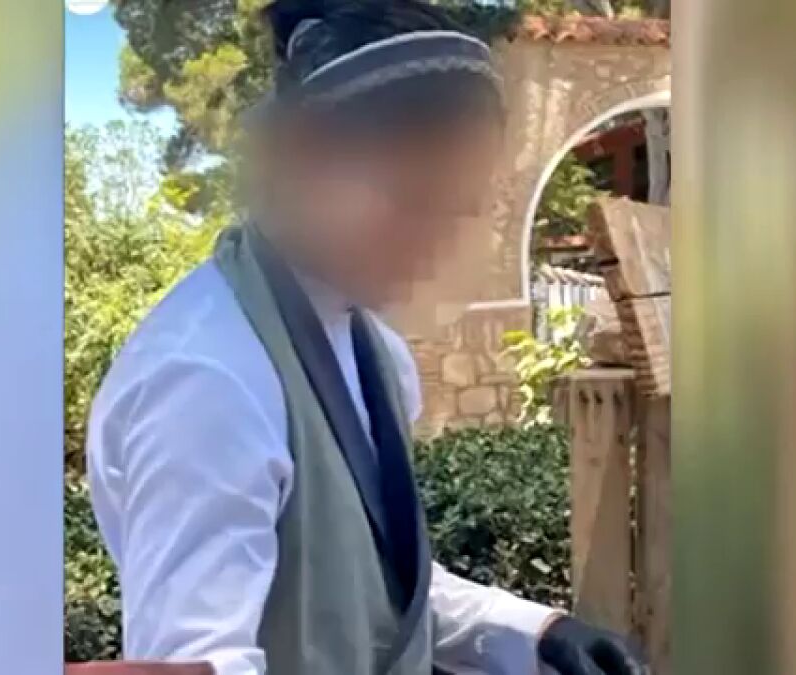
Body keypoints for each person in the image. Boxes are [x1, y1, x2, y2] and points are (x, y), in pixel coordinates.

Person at [86, 1, 647, 673]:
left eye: (456, 208)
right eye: (414, 199)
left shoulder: (377, 353)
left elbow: (377, 598)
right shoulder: (207, 381)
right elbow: (202, 661)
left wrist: (539, 633)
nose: (438, 240)